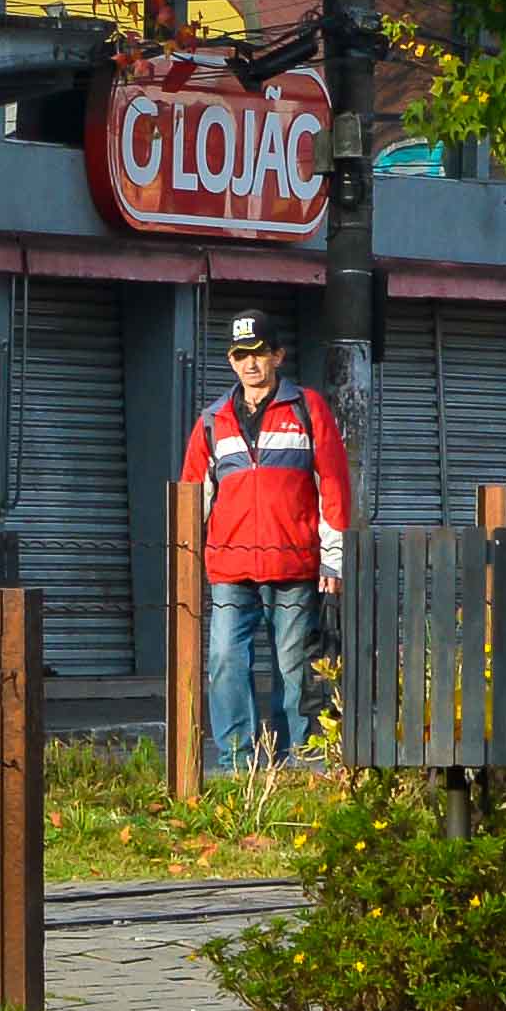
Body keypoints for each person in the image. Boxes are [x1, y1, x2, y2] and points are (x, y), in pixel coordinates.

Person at [179, 312, 351, 768]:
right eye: (240, 355)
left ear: (278, 355)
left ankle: (301, 761)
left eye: (259, 353)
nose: (250, 364)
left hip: (296, 567)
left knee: (294, 669)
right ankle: (238, 763)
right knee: (223, 662)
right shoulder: (212, 421)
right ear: (230, 362)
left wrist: (333, 563)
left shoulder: (308, 408)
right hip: (229, 569)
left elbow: (332, 487)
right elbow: (193, 497)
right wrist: (187, 562)